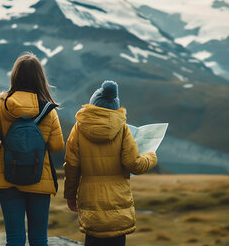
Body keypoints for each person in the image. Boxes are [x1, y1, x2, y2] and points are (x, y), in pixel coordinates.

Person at [0, 53, 64, 246]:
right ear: (40, 78)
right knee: (39, 238)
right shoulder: (48, 110)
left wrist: (4, 150)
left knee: (15, 238)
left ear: (15, 76)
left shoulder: (2, 105)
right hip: (39, 177)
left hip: (8, 177)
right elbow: (57, 145)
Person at [64, 80, 158, 246]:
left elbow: (72, 167)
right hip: (118, 202)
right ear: (115, 106)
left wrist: (70, 195)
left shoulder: (78, 129)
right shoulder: (123, 129)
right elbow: (134, 165)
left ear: (93, 103)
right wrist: (151, 157)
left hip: (90, 200)